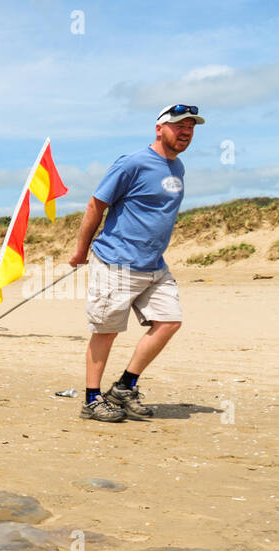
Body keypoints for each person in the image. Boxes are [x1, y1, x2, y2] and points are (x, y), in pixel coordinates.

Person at [69, 103, 202, 422]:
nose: (185, 131)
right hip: (116, 261)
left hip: (154, 265)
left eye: (191, 127)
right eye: (178, 125)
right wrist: (81, 251)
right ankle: (91, 399)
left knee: (170, 321)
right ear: (159, 128)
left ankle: (124, 388)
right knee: (107, 330)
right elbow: (95, 205)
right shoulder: (132, 163)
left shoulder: (178, 168)